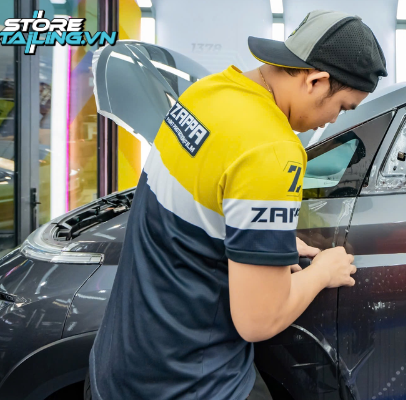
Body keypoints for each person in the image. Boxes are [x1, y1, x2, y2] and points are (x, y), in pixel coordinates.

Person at [87, 10, 387, 400]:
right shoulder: (273, 149)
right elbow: (259, 320)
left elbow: (200, 208)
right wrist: (323, 272)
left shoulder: (206, 94)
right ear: (316, 81)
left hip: (114, 368)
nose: (332, 120)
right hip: (189, 383)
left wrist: (264, 241)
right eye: (343, 107)